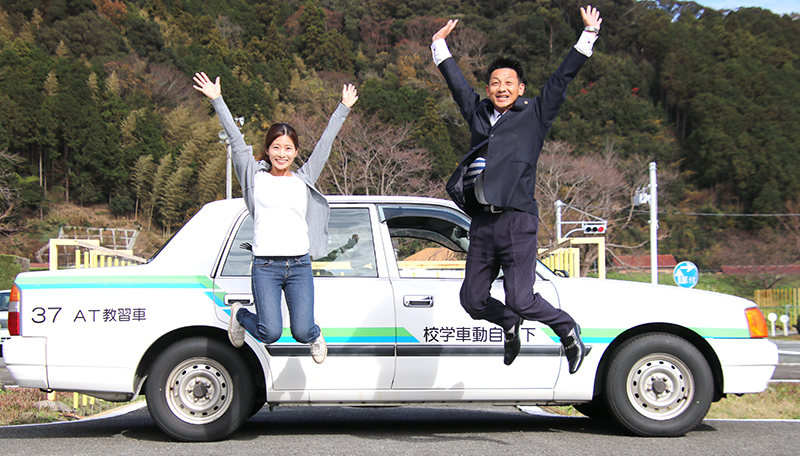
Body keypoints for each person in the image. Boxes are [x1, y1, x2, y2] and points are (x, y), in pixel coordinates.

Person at [431, 5, 602, 372]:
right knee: (473, 300)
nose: (502, 88)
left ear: (520, 88)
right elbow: (458, 86)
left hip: (517, 220)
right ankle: (508, 323)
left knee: (522, 298)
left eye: (509, 82)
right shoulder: (478, 114)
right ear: (489, 88)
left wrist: (587, 36)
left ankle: (566, 328)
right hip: (483, 223)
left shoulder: (535, 115)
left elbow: (561, 79)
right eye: (495, 83)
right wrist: (439, 47)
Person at [193, 72, 358, 364]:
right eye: (276, 148)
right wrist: (217, 100)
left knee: (302, 330)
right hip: (266, 266)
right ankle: (240, 315)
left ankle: (315, 335)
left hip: (299, 265)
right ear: (268, 150)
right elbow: (235, 138)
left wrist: (342, 108)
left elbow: (325, 145)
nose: (282, 154)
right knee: (269, 333)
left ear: (295, 152)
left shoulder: (303, 178)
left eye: (288, 148)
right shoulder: (253, 176)